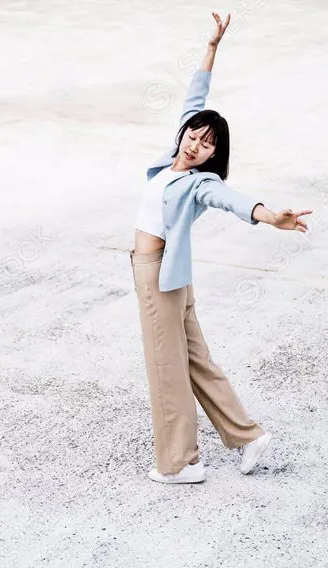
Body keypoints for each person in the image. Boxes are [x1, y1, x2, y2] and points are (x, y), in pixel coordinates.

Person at [131, 10, 312, 484]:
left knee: (166, 368)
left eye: (208, 144)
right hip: (170, 275)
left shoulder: (199, 183)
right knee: (193, 360)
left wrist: (272, 216)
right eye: (194, 134)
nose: (196, 143)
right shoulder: (172, 160)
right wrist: (212, 47)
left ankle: (180, 464)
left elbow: (231, 200)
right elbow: (197, 97)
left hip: (158, 274)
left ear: (215, 156)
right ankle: (248, 436)